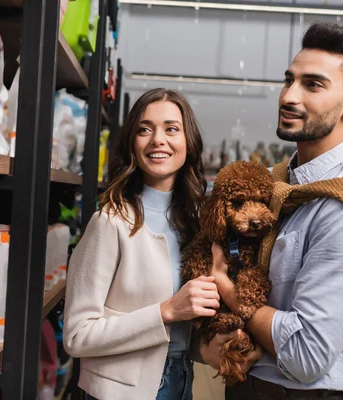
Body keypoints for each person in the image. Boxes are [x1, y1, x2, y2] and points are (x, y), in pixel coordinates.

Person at [213, 21, 343, 399]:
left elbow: (306, 355)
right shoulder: (276, 186)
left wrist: (227, 289)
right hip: (246, 385)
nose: (289, 96)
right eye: (288, 80)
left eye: (313, 84)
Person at [63, 88, 259, 400]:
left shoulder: (195, 223)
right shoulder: (110, 222)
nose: (158, 140)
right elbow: (77, 335)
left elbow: (176, 333)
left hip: (180, 380)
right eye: (144, 129)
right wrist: (166, 310)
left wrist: (206, 348)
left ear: (188, 142)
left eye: (171, 129)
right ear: (132, 143)